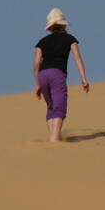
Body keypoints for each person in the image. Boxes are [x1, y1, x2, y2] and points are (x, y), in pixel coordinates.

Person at [33, 8, 89, 141]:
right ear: (63, 24)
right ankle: (54, 141)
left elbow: (36, 63)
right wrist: (83, 78)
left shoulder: (42, 42)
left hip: (42, 74)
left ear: (50, 27)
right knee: (60, 106)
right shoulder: (70, 39)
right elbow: (78, 58)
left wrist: (37, 84)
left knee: (51, 106)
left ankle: (53, 137)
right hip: (57, 73)